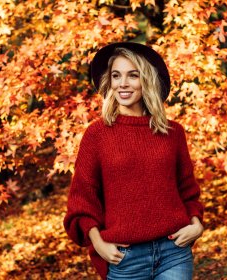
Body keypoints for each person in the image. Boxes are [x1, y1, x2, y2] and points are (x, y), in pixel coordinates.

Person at [64, 42, 204, 280]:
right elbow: (82, 200)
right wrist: (98, 243)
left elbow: (187, 190)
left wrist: (197, 225)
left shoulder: (173, 132)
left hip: (174, 252)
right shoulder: (97, 135)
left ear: (146, 80)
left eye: (133, 75)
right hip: (125, 258)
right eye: (116, 76)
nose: (123, 84)